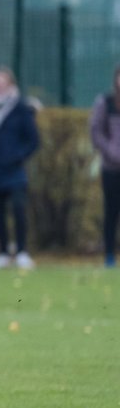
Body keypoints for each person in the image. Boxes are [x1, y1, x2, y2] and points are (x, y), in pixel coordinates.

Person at [0, 66, 40, 270]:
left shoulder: (20, 108)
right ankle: (3, 252)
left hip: (14, 170)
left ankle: (22, 251)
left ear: (10, 85)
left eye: (2, 83)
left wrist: (17, 156)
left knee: (18, 208)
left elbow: (32, 140)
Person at [89, 64, 120, 268]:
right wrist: (111, 151)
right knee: (111, 212)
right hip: (111, 168)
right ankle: (109, 255)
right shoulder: (106, 103)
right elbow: (96, 131)